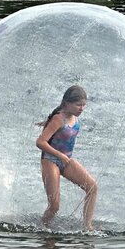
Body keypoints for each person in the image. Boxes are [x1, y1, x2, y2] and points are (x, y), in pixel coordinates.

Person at [35, 85, 98, 230]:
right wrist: (60, 155)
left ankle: (87, 226)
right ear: (67, 103)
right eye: (78, 105)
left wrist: (47, 123)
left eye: (83, 105)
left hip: (66, 160)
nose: (81, 108)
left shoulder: (74, 117)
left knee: (92, 187)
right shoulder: (58, 118)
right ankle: (42, 228)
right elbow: (40, 142)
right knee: (54, 206)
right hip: (50, 160)